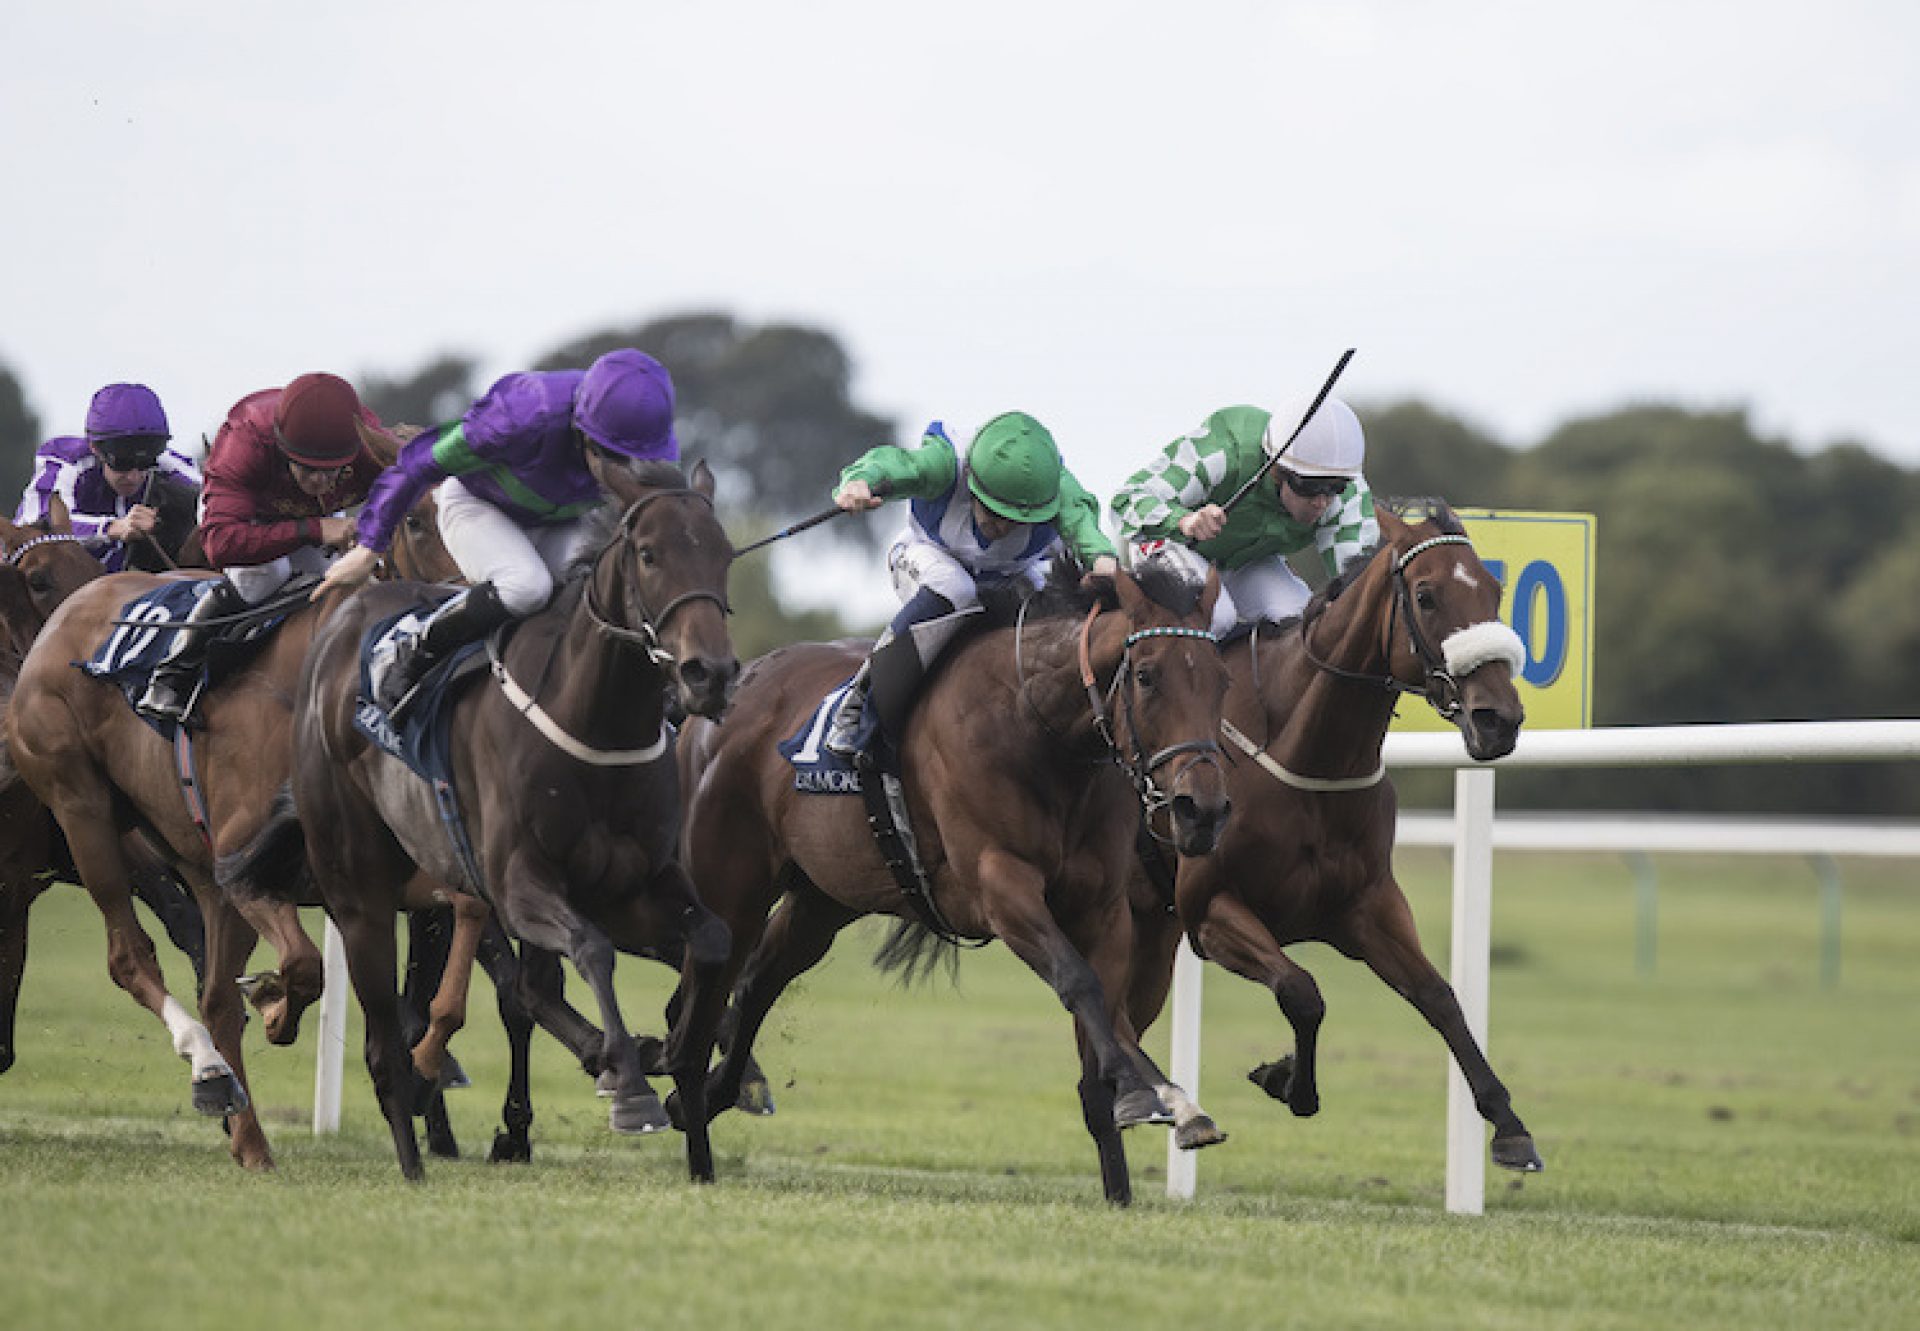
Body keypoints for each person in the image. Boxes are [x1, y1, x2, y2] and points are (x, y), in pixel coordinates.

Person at [313, 348, 681, 714]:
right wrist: (370, 547)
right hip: (478, 505)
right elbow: (415, 465)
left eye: (631, 461)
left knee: (601, 586)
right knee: (528, 587)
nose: (623, 474)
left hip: (561, 519)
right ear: (584, 430)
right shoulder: (521, 414)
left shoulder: (643, 441)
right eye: (611, 457)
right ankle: (413, 645)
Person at [822, 412, 1119, 765]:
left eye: (1018, 519)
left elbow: (1090, 540)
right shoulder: (946, 463)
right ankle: (860, 706)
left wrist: (1113, 573)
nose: (1004, 527)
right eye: (994, 512)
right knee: (957, 588)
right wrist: (859, 482)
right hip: (927, 557)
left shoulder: (1059, 489)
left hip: (1011, 576)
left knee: (1056, 617)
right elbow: (895, 464)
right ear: (970, 481)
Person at [136, 372, 384, 721]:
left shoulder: (368, 442)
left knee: (335, 578)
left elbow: (413, 490)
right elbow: (221, 544)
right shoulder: (246, 441)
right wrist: (313, 529)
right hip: (241, 516)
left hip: (312, 514)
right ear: (283, 449)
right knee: (266, 576)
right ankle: (172, 675)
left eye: (332, 471)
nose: (318, 481)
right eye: (308, 468)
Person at [1110, 395, 1378, 637]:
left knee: (1299, 623)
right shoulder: (1226, 452)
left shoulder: (1347, 496)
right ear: (1276, 471)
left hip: (1244, 562)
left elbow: (1359, 586)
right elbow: (1125, 501)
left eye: (1335, 488)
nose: (1321, 502)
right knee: (1218, 616)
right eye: (1309, 487)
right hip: (1170, 544)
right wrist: (1185, 522)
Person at [14, 383, 202, 572]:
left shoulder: (173, 465)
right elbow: (39, 527)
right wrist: (112, 528)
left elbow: (211, 504)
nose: (133, 476)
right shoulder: (65, 461)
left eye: (145, 463)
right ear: (95, 448)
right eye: (121, 463)